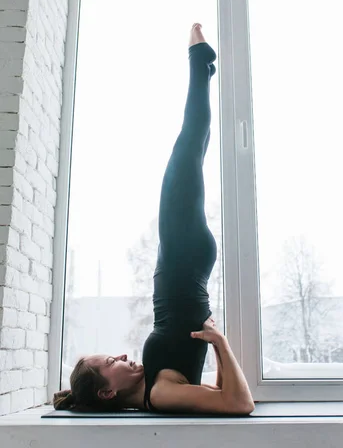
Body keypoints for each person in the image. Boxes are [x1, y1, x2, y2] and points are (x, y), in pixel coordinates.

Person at [53, 24, 254, 415]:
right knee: (186, 149)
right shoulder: (160, 395)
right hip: (184, 258)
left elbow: (219, 392)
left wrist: (215, 347)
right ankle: (200, 60)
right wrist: (220, 342)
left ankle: (205, 70)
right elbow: (239, 403)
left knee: (189, 152)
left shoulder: (154, 386)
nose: (122, 356)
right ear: (108, 393)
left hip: (180, 261)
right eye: (111, 363)